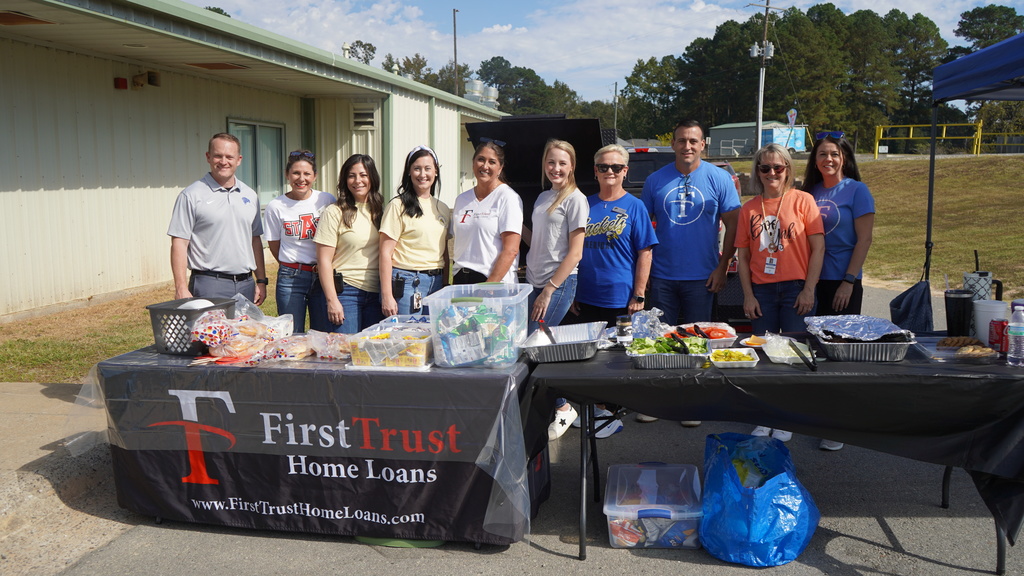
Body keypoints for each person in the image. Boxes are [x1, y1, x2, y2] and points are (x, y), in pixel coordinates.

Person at [637, 120, 740, 425]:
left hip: (703, 275)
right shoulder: (656, 181)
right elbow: (642, 229)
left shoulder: (719, 178)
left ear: (703, 144)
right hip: (664, 275)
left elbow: (734, 224)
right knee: (661, 341)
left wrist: (723, 267)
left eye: (693, 141)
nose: (687, 147)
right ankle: (661, 403)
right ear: (673, 144)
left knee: (697, 342)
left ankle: (692, 404)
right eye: (681, 141)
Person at [736, 144, 824, 443]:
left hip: (796, 288)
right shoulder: (749, 208)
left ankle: (787, 416)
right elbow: (744, 256)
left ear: (788, 169)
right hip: (762, 290)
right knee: (763, 354)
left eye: (778, 167)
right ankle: (765, 416)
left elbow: (818, 248)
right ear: (757, 172)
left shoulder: (803, 201)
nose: (772, 173)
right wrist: (747, 295)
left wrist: (809, 289)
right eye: (765, 168)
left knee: (795, 354)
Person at [569, 144, 658, 439]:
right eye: (604, 167)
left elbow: (645, 252)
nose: (610, 172)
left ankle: (615, 410)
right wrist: (570, 293)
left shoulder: (635, 207)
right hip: (585, 294)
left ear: (625, 172)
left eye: (616, 168)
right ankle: (596, 408)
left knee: (619, 356)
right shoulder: (583, 203)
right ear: (594, 171)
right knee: (590, 357)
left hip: (620, 297)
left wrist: (639, 294)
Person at [802, 131, 875, 451]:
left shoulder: (857, 191)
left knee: (841, 351)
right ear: (814, 161)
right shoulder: (810, 192)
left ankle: (839, 426)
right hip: (813, 281)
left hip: (843, 282)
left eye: (833, 154)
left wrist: (849, 279)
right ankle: (818, 415)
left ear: (844, 157)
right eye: (821, 155)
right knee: (816, 349)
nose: (828, 160)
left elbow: (865, 240)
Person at [523, 140, 588, 441]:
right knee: (533, 348)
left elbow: (575, 253)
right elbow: (538, 240)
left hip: (557, 285)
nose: (556, 168)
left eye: (562, 163)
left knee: (536, 348)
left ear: (572, 166)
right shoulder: (542, 196)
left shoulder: (575, 199)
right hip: (535, 283)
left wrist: (549, 290)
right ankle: (549, 406)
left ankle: (563, 408)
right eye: (551, 162)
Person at [168, 133, 267, 304]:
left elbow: (254, 240)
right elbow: (179, 243)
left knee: (245, 331)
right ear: (208, 157)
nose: (223, 161)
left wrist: (261, 280)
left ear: (239, 159)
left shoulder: (250, 195)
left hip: (246, 284)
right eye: (218, 155)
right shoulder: (191, 195)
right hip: (209, 284)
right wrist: (181, 287)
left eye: (229, 156)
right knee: (210, 331)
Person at [263, 150, 336, 333]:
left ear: (315, 176)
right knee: (291, 334)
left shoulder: (326, 200)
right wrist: (291, 265)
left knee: (322, 334)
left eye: (307, 174)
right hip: (291, 276)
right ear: (287, 174)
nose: (301, 178)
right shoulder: (276, 206)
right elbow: (274, 245)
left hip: (322, 276)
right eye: (296, 173)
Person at [313, 154, 385, 333]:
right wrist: (332, 300)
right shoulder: (334, 212)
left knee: (371, 353)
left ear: (372, 178)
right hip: (346, 294)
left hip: (377, 293)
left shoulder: (381, 211)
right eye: (351, 175)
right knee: (345, 352)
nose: (357, 181)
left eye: (363, 175)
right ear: (345, 180)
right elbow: (323, 261)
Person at [379, 146, 451, 316]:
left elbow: (444, 252)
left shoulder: (443, 208)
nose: (422, 174)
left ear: (436, 172)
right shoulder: (397, 206)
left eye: (427, 168)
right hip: (408, 283)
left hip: (437, 283)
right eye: (417, 169)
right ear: (409, 172)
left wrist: (446, 283)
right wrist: (387, 295)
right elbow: (384, 253)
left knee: (432, 338)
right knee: (408, 338)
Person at [451, 140, 523, 284]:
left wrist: (489, 286)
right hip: (461, 279)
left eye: (492, 162)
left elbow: (511, 250)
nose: (485, 166)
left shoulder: (508, 198)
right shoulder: (461, 200)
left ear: (500, 168)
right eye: (481, 160)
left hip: (492, 281)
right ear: (473, 163)